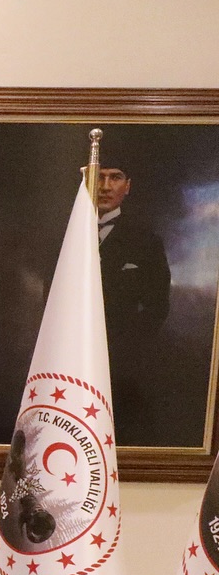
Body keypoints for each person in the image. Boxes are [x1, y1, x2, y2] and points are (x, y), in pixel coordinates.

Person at [95, 160, 170, 445]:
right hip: (71, 356)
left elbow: (157, 306)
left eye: (115, 178)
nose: (105, 186)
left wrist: (126, 346)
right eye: (99, 177)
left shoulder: (146, 241)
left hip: (123, 365)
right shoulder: (64, 237)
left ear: (127, 186)